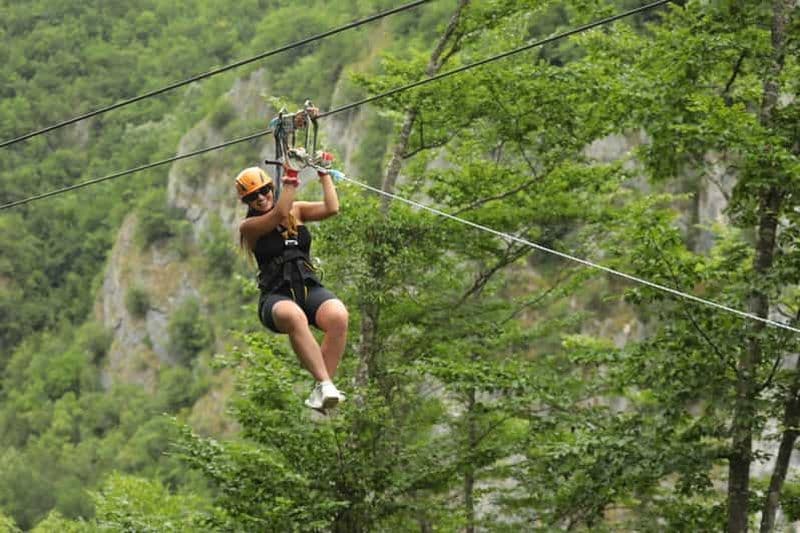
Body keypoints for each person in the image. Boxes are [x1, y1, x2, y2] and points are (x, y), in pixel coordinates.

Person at [236, 159, 348, 411]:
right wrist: (291, 175)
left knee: (338, 316)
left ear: (271, 189)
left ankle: (323, 391)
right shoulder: (249, 227)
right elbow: (277, 214)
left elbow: (332, 208)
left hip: (307, 287)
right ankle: (325, 384)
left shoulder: (296, 211)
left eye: (264, 191)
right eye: (253, 197)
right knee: (294, 316)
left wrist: (323, 173)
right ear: (247, 203)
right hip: (276, 298)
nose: (261, 198)